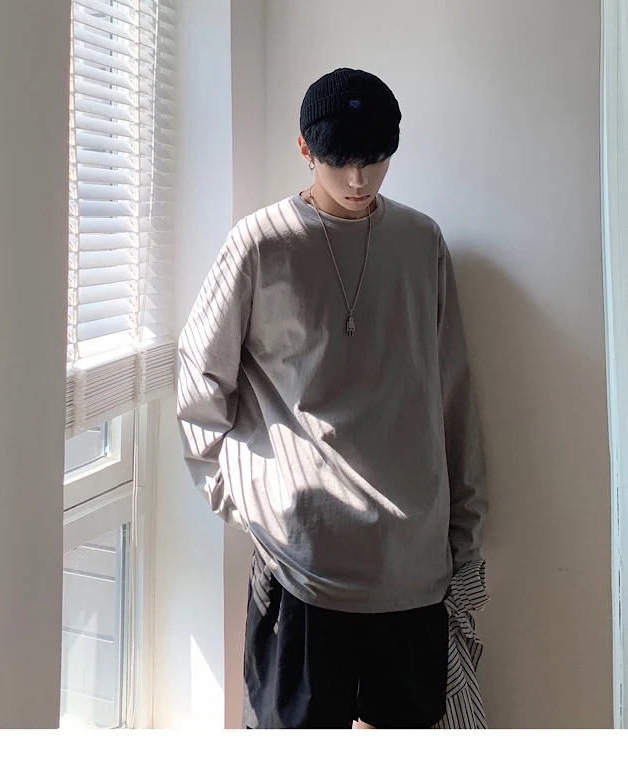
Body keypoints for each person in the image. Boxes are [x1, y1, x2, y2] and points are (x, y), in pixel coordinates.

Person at [176, 68, 488, 729]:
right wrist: (239, 497)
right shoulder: (260, 244)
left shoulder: (421, 242)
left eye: (374, 159)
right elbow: (200, 375)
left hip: (412, 564)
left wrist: (465, 531)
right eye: (339, 160)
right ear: (304, 148)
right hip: (303, 565)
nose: (357, 178)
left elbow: (453, 394)